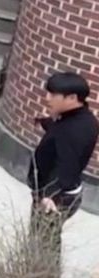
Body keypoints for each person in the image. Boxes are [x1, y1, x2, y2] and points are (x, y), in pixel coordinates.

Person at [28, 71, 99, 260]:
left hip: (56, 198)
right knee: (42, 240)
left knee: (43, 244)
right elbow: (59, 130)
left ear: (72, 98)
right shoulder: (79, 118)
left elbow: (67, 164)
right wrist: (45, 123)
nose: (47, 98)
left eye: (53, 95)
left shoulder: (74, 131)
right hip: (58, 192)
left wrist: (50, 196)